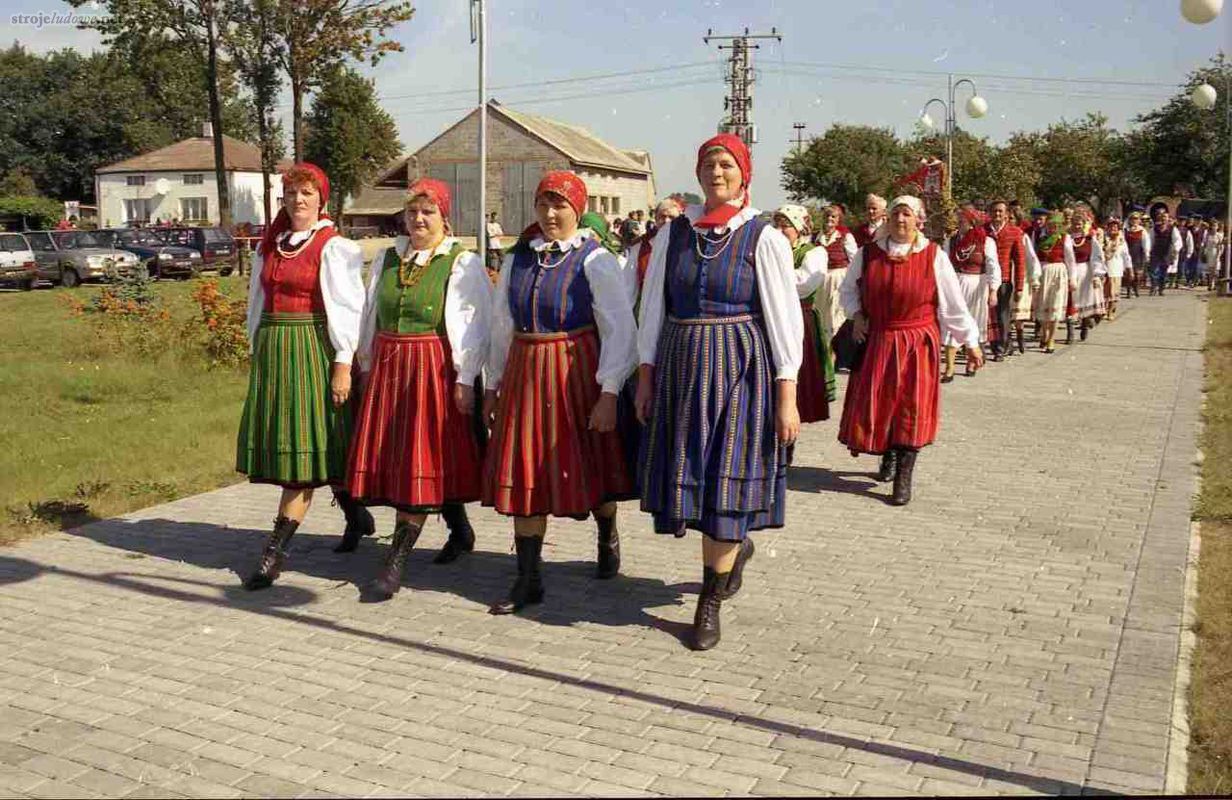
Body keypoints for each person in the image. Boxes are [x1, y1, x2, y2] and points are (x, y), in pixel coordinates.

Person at [636, 134, 802, 651]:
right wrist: (645, 372)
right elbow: (652, 308)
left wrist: (787, 392)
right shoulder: (675, 233)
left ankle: (708, 601)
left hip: (741, 370)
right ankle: (731, 552)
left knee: (726, 485)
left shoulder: (763, 236)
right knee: (698, 480)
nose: (717, 172)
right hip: (683, 365)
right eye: (709, 164)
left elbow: (783, 318)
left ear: (744, 173)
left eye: (726, 164)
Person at [483, 171, 638, 615]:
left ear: (578, 209)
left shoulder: (595, 259)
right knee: (526, 468)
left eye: (560, 206)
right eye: (543, 206)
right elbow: (501, 325)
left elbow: (618, 329)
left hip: (575, 372)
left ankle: (606, 529)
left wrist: (609, 391)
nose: (551, 215)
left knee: (588, 463)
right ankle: (528, 578)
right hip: (525, 372)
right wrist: (493, 383)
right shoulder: (518, 259)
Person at [344, 179, 492, 600]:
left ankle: (396, 560)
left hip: (433, 369)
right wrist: (366, 363)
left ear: (444, 217)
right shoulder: (389, 258)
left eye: (428, 212)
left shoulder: (462, 262)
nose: (419, 219)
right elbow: (371, 312)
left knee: (422, 457)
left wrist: (466, 378)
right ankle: (460, 530)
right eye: (412, 212)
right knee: (413, 457)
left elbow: (474, 326)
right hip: (391, 369)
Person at [237, 163, 367, 590]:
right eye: (292, 193)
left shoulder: (333, 247)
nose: (299, 200)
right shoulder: (270, 246)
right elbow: (258, 299)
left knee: (308, 448)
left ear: (321, 199)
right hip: (277, 351)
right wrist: (256, 347)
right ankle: (356, 515)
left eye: (307, 193)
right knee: (312, 445)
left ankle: (273, 554)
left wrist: (343, 362)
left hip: (312, 349)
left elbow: (347, 308)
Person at [838, 195, 983, 505]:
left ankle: (904, 475)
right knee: (883, 403)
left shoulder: (933, 256)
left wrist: (970, 341)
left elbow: (953, 305)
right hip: (880, 340)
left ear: (919, 219)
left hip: (917, 343)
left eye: (906, 215)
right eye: (895, 214)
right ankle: (888, 455)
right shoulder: (868, 254)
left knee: (910, 407)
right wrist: (858, 315)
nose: (900, 220)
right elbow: (848, 291)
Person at [774, 203, 832, 423]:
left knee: (797, 378)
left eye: (786, 226)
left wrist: (772, 276)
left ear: (799, 228)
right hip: (774, 318)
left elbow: (805, 283)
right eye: (777, 226)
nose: (780, 231)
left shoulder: (814, 253)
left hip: (799, 318)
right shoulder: (770, 251)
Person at [941, 205, 1000, 382]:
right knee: (952, 322)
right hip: (955, 284)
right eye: (958, 220)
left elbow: (992, 266)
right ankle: (949, 368)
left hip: (977, 284)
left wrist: (993, 290)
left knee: (972, 323)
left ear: (972, 222)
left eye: (963, 220)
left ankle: (970, 362)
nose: (959, 223)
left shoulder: (986, 241)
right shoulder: (951, 241)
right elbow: (943, 265)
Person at [986, 199, 1035, 357]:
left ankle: (1001, 346)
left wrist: (1020, 287)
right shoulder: (983, 230)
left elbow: (1020, 261)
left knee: (1002, 314)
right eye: (995, 211)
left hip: (1005, 280)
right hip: (985, 279)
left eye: (1001, 211)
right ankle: (999, 344)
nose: (997, 214)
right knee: (988, 315)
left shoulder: (1015, 232)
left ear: (1007, 214)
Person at [814, 204, 858, 348]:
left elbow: (854, 260)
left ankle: (834, 351)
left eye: (833, 217)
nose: (830, 219)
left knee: (835, 317)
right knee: (821, 316)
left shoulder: (845, 237)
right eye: (827, 216)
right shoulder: (816, 237)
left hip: (839, 278)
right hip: (821, 279)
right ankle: (823, 350)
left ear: (839, 220)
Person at [1033, 213, 1076, 354]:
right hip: (1043, 272)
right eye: (1051, 225)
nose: (1053, 228)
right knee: (1043, 305)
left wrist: (1072, 279)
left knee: (1056, 305)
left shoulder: (1065, 238)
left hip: (1059, 273)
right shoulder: (1039, 235)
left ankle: (1052, 338)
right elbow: (1034, 257)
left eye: (1057, 225)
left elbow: (1070, 260)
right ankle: (1044, 332)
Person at [1069, 208, 1106, 340]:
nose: (1076, 226)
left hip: (1085, 272)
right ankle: (1070, 330)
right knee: (1071, 301)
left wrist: (1097, 274)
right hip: (1071, 271)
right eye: (1074, 223)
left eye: (1079, 224)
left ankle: (1084, 325)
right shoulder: (1066, 238)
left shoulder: (1090, 239)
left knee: (1084, 300)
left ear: (1083, 224)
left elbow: (1096, 257)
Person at [1101, 216, 1131, 321]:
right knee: (1104, 292)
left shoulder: (1121, 241)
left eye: (1115, 227)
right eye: (1111, 226)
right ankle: (1103, 310)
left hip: (1116, 269)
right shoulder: (1103, 239)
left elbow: (1126, 256)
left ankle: (1111, 311)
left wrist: (1129, 268)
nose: (1113, 229)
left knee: (1113, 293)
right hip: (1103, 269)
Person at [1148, 205, 1182, 296]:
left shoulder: (1173, 229)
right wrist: (1148, 251)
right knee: (1153, 270)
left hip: (1166, 252)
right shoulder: (1154, 229)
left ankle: (1161, 288)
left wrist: (1175, 250)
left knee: (1163, 271)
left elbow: (1177, 241)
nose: (1163, 220)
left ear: (1167, 219)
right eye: (1161, 217)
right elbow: (1150, 240)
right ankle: (1154, 286)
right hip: (1155, 252)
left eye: (1164, 218)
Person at [1124, 209, 1149, 298]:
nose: (1134, 220)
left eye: (1136, 219)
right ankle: (1128, 291)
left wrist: (1147, 253)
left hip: (1138, 254)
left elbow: (1146, 243)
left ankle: (1136, 288)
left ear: (1139, 220)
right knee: (1128, 274)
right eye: (1133, 219)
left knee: (1137, 274)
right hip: (1128, 253)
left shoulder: (1142, 231)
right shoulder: (1125, 230)